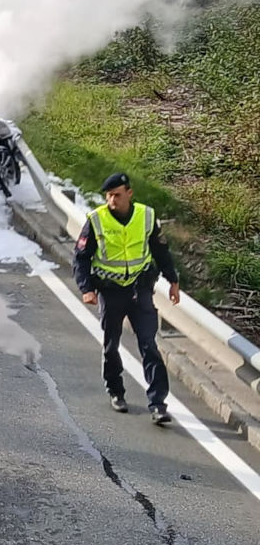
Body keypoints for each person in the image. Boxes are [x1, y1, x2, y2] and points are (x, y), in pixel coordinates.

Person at [73, 172, 179, 424]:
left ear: (129, 194)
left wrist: (173, 281)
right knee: (111, 345)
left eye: (117, 195)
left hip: (140, 289)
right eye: (109, 196)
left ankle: (158, 404)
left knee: (149, 345)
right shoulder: (96, 219)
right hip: (110, 291)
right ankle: (116, 391)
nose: (112, 200)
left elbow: (160, 251)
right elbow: (81, 257)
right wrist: (86, 288)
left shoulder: (146, 216)